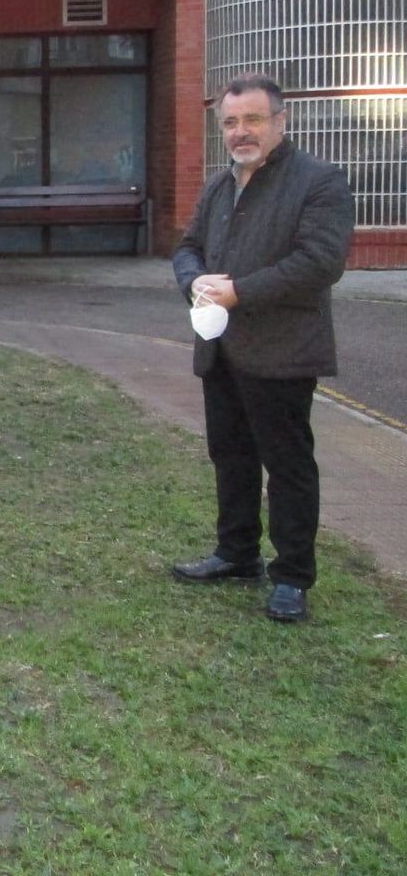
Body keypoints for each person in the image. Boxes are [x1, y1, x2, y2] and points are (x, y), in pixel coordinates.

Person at [172, 74, 353, 623]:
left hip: (282, 351)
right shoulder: (219, 185)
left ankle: (293, 577)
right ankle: (237, 554)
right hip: (221, 349)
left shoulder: (319, 181)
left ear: (280, 121)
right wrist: (195, 282)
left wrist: (239, 292)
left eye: (252, 120)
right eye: (230, 122)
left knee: (288, 464)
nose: (240, 131)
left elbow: (321, 262)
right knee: (230, 455)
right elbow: (187, 248)